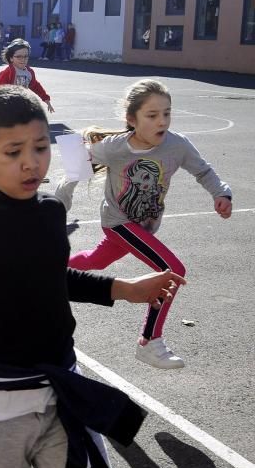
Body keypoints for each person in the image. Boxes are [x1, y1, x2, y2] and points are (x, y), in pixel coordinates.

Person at [0, 84, 186, 468]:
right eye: (13, 152)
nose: (30, 163)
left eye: (40, 148)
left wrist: (123, 289)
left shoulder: (50, 211)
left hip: (64, 398)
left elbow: (53, 277)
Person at [68, 79, 231, 368]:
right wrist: (63, 193)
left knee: (94, 261)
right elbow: (77, 159)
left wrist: (221, 193)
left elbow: (204, 170)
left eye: (167, 113)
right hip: (118, 222)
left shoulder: (177, 145)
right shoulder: (116, 147)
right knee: (173, 271)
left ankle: (42, 271)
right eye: (152, 115)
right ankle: (150, 341)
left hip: (142, 227)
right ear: (132, 119)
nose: (162, 121)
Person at [0, 39, 54, 113]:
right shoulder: (9, 72)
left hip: (22, 103)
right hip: (9, 105)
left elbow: (35, 86)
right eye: (19, 56)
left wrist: (46, 99)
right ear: (11, 58)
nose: (23, 59)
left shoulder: (29, 72)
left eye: (25, 56)